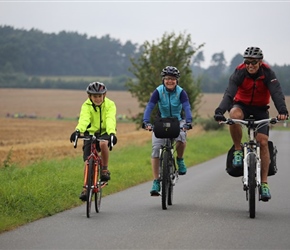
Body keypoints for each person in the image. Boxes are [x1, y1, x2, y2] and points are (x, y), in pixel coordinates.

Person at [214, 47, 288, 201]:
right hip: (241, 105)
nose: (250, 65)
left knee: (263, 142)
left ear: (260, 62)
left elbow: (276, 93)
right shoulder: (239, 72)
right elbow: (229, 93)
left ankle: (265, 184)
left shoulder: (268, 73)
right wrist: (220, 111)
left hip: (261, 109)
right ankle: (238, 150)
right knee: (234, 115)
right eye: (247, 62)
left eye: (253, 62)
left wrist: (282, 110)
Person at [143, 66, 193, 196]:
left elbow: (187, 107)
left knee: (182, 137)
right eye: (167, 79)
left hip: (178, 120)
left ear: (177, 81)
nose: (170, 81)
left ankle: (180, 159)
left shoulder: (181, 92)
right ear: (163, 80)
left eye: (173, 79)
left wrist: (188, 122)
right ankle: (155, 181)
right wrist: (146, 121)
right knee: (155, 149)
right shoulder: (158, 91)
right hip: (162, 120)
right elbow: (150, 106)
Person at [70, 81, 117, 201]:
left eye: (100, 96)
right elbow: (84, 119)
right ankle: (86, 188)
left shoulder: (110, 104)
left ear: (104, 95)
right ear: (89, 96)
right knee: (87, 160)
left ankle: (105, 169)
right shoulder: (86, 105)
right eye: (95, 96)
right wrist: (78, 130)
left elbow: (110, 118)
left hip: (105, 132)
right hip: (90, 133)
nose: (97, 99)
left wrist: (112, 133)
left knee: (103, 143)